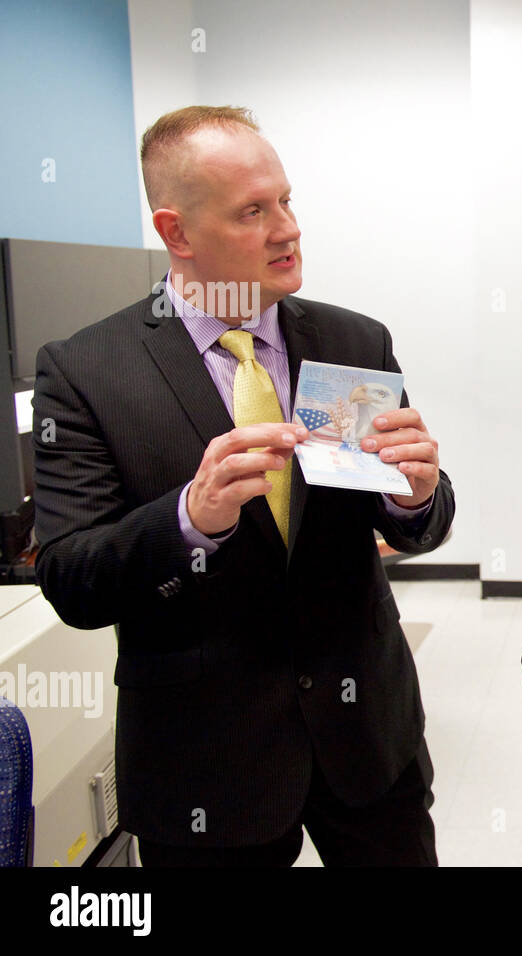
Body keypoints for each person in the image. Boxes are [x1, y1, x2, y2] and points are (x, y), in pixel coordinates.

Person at [32, 106, 454, 866]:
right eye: (253, 212)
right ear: (178, 233)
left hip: (366, 740)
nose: (288, 229)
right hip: (205, 765)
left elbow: (417, 520)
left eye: (287, 201)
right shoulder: (86, 371)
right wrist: (190, 519)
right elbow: (72, 578)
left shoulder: (354, 340)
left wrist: (415, 494)